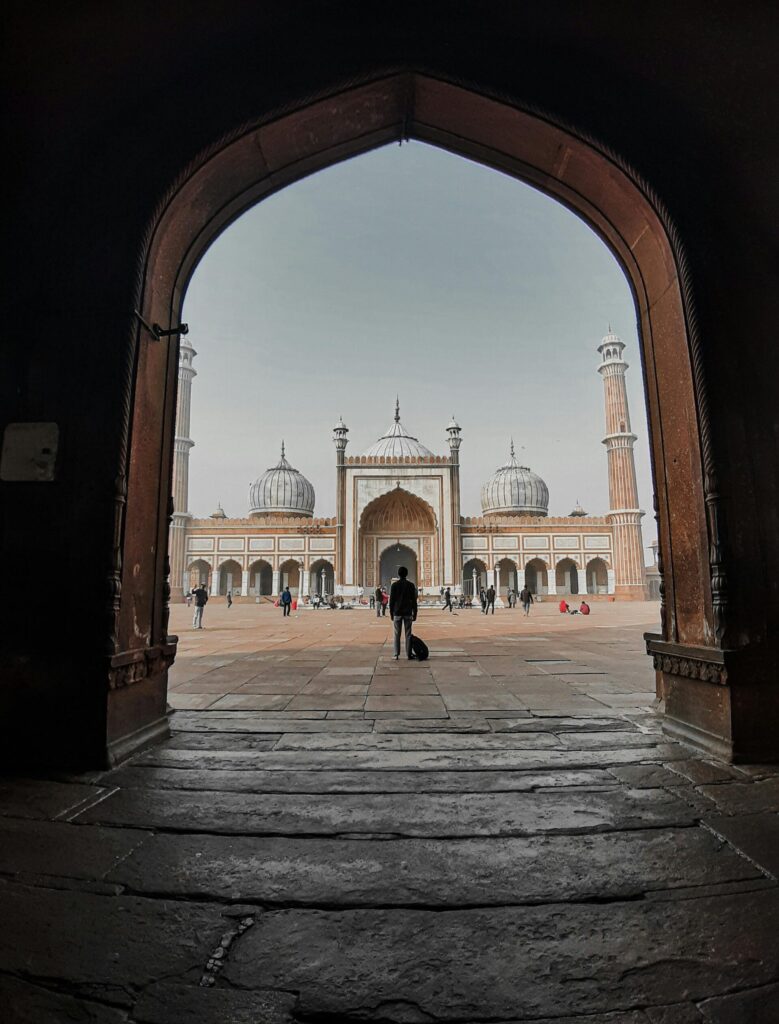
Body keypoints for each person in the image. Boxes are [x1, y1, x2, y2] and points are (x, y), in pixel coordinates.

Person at [389, 565, 418, 660]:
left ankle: (396, 654)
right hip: (408, 613)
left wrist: (391, 613)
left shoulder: (394, 585)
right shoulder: (410, 585)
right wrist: (415, 612)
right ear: (406, 574)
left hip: (397, 612)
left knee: (397, 634)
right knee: (408, 634)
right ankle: (409, 654)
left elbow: (392, 601)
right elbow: (414, 600)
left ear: (398, 574)